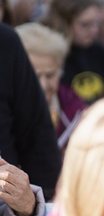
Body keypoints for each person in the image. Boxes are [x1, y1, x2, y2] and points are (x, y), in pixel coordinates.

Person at [0, 21, 61, 199]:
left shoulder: (5, 42)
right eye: (38, 74)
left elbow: (37, 133)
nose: (44, 84)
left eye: (50, 75)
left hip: (7, 209)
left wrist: (41, 204)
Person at [41, 0, 104, 104]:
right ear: (63, 23)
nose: (94, 30)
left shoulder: (98, 51)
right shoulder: (48, 57)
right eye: (85, 25)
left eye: (96, 23)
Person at [16, 22, 87, 151]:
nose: (43, 85)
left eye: (50, 75)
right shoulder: (6, 113)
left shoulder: (75, 110)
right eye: (35, 77)